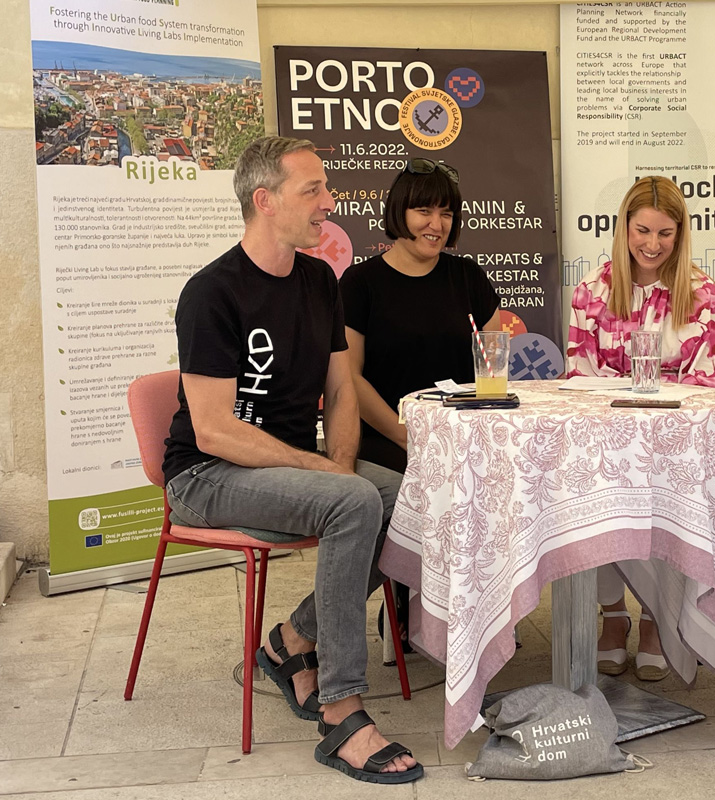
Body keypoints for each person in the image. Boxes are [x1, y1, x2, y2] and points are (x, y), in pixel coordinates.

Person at [161, 136, 422, 784]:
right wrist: (323, 474)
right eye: (314, 190)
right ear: (265, 200)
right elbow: (213, 431)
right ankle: (341, 712)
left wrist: (340, 461)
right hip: (206, 475)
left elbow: (341, 389)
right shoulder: (211, 293)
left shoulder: (318, 280)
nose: (329, 202)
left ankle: (292, 640)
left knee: (409, 500)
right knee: (353, 500)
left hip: (289, 462)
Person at [566, 176, 715, 681]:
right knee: (595, 497)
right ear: (624, 228)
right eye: (642, 231)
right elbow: (579, 376)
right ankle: (613, 616)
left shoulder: (701, 293)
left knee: (664, 500)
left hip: (671, 444)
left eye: (665, 233)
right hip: (608, 440)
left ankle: (656, 617)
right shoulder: (591, 291)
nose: (653, 244)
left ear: (680, 234)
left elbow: (713, 380)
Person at [339, 159, 500, 474]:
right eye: (424, 211)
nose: (436, 225)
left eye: (446, 214)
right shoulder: (359, 283)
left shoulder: (468, 276)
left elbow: (493, 367)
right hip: (390, 444)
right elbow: (349, 378)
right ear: (399, 212)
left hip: (466, 442)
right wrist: (408, 436)